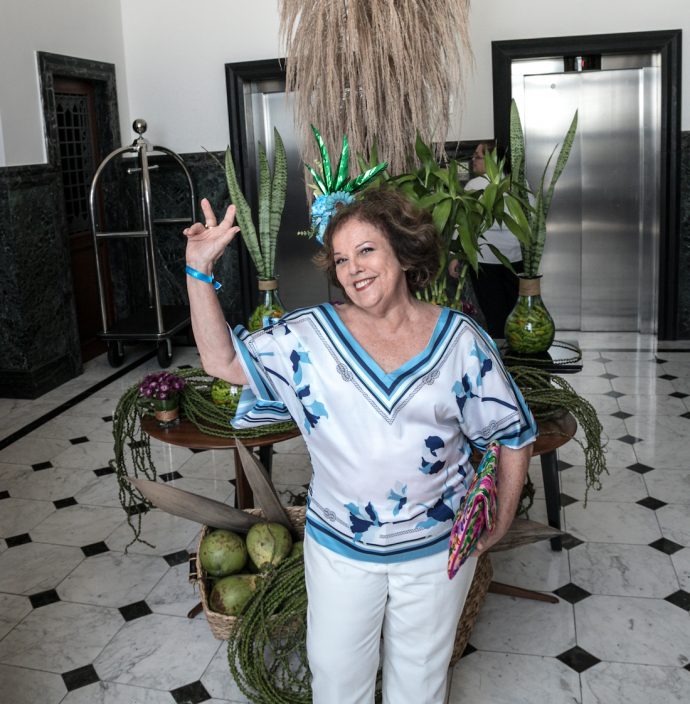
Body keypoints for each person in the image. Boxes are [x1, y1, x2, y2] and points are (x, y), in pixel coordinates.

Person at [183, 188, 536, 704]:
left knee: (421, 683)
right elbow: (223, 361)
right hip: (339, 551)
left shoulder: (459, 340)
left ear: (403, 252)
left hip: (436, 552)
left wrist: (500, 521)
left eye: (366, 250)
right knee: (337, 681)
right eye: (342, 259)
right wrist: (198, 271)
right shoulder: (309, 337)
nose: (353, 269)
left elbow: (511, 432)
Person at [466, 141, 524, 339]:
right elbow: (531, 220)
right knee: (515, 311)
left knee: (493, 314)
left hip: (484, 260)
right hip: (516, 259)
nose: (473, 160)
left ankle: (498, 353)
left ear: (492, 160)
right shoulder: (518, 184)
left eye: (477, 157)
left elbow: (464, 224)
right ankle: (517, 349)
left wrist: (455, 255)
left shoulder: (474, 186)